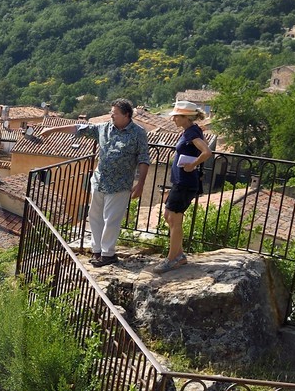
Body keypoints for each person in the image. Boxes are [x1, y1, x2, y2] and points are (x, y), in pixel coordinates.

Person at [39, 100, 152, 267]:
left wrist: (141, 183)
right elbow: (78, 128)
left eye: (115, 113)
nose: (111, 115)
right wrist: (52, 130)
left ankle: (108, 254)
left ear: (127, 115)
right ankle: (97, 251)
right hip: (99, 181)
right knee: (95, 217)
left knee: (111, 220)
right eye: (111, 112)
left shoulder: (138, 133)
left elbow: (143, 159)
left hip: (120, 184)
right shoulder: (104, 128)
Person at [158, 101, 211, 272]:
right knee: (168, 216)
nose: (173, 119)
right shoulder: (191, 130)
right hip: (180, 182)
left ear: (185, 117)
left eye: (176, 116)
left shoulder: (192, 133)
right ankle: (178, 255)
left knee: (175, 220)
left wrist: (193, 164)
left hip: (185, 183)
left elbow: (207, 152)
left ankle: (172, 259)